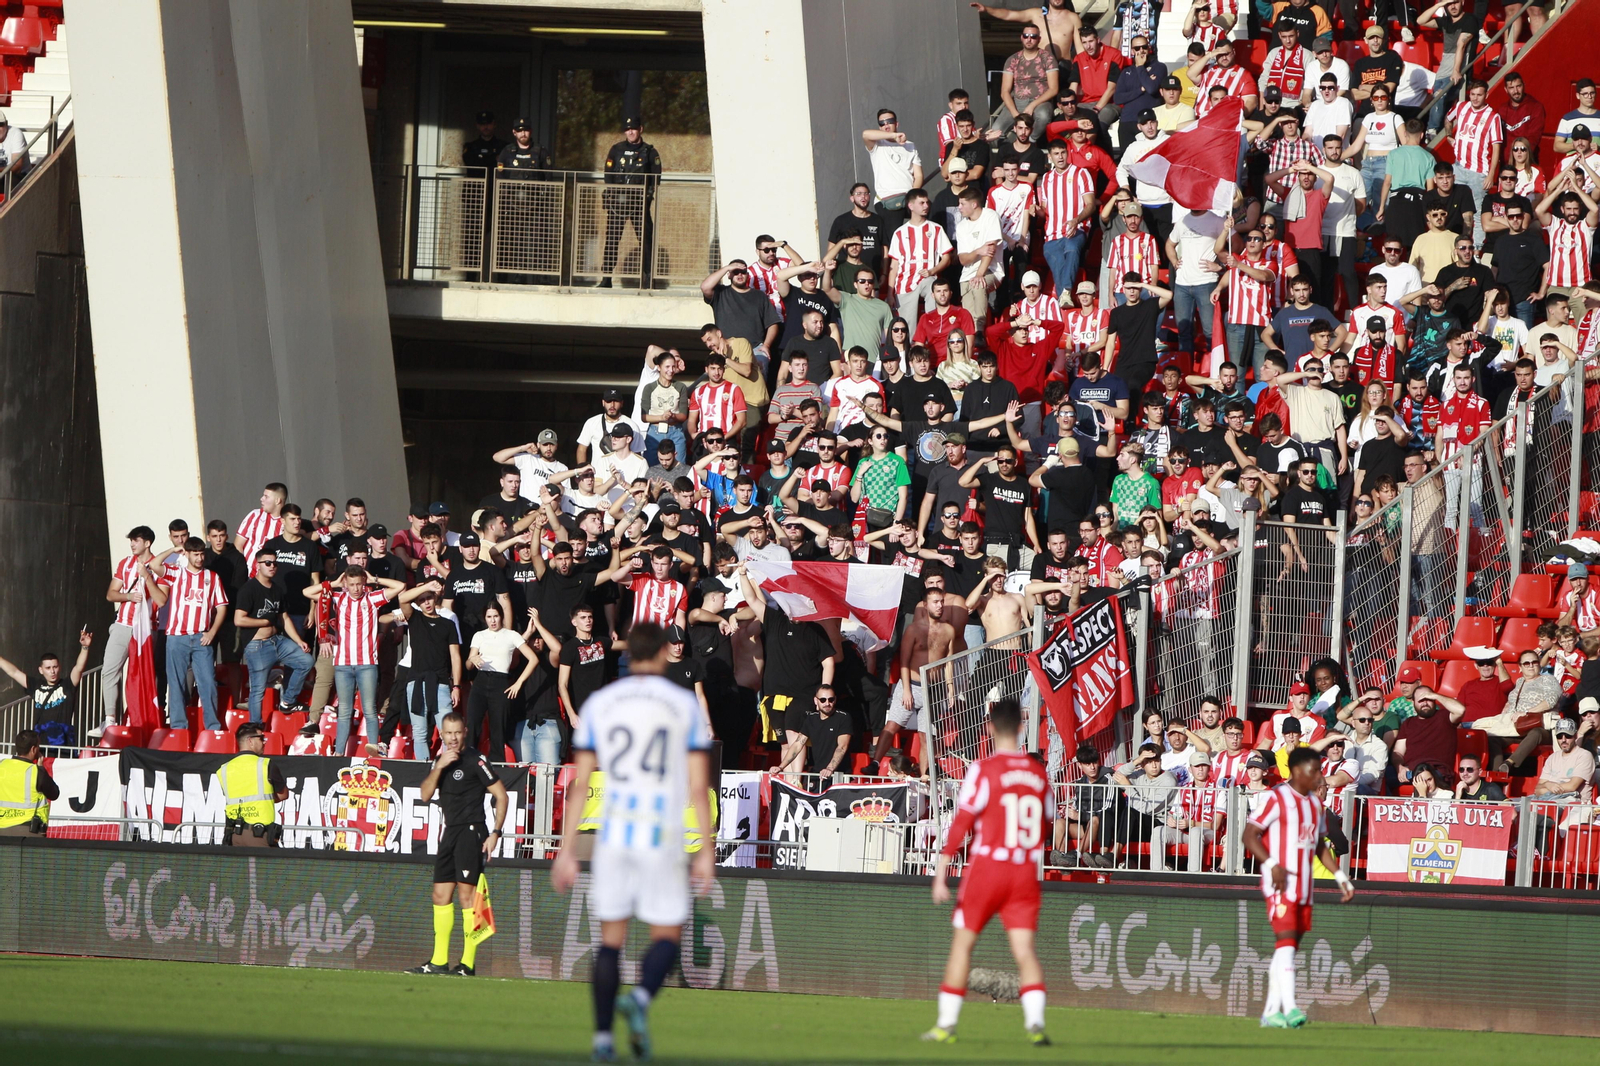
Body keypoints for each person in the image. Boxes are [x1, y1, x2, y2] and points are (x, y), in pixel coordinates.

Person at [551, 623, 714, 1061]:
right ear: (663, 652)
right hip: (662, 835)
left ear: (627, 654)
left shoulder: (603, 703)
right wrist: (708, 852)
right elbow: (699, 787)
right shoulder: (682, 704)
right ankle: (640, 999)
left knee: (610, 940)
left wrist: (566, 851)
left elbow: (581, 785)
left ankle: (602, 1040)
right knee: (666, 934)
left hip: (614, 835)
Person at [924, 698, 1052, 1047]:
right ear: (1023, 728)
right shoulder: (1038, 774)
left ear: (990, 728)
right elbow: (1047, 821)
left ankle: (946, 1026)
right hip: (1024, 870)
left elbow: (963, 821)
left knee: (962, 947)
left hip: (989, 867)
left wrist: (940, 870)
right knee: (1025, 951)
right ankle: (1036, 1024)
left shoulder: (983, 769)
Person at [1241, 746, 1354, 1028]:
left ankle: (1270, 1012)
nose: (1318, 776)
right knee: (1287, 942)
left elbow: (1318, 845)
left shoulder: (1315, 805)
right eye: (1313, 770)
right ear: (1296, 771)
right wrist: (1271, 864)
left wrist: (1340, 876)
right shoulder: (1275, 797)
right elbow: (1249, 834)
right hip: (1280, 882)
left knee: (1287, 948)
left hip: (1305, 886)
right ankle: (1290, 1008)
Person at [407, 711, 509, 977]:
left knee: (467, 898)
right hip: (450, 833)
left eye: (457, 732)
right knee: (440, 896)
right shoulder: (440, 762)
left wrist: (496, 832)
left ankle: (467, 964)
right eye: (448, 733)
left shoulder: (476, 759)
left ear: (464, 732)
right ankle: (438, 961)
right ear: (442, 735)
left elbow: (501, 794)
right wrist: (439, 766)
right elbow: (426, 795)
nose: (453, 738)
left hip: (471, 832)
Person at [158, 536, 231, 732]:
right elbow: (155, 564)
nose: (199, 558)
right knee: (176, 684)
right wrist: (174, 550)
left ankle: (213, 728)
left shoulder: (212, 577)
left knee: (208, 683)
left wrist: (212, 632)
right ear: (187, 554)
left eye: (201, 554)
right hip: (176, 637)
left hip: (201, 637)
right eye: (195, 554)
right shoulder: (176, 573)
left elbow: (222, 607)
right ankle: (178, 728)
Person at [233, 548, 314, 723]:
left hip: (277, 641)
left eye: (275, 563)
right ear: (258, 565)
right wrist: (263, 622)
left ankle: (288, 701)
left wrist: (299, 641)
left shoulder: (277, 589)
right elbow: (239, 620)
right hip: (257, 646)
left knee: (306, 661)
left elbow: (283, 617)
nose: (272, 566)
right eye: (267, 563)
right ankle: (255, 726)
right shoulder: (249, 589)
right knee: (258, 690)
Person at [598, 117, 662, 289]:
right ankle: (606, 278)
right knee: (612, 240)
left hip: (639, 204)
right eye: (627, 129)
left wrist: (648, 195)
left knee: (645, 240)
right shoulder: (616, 149)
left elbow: (656, 176)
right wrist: (610, 193)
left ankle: (648, 279)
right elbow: (608, 173)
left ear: (640, 129)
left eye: (633, 129)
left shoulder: (649, 151)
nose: (630, 132)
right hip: (618, 203)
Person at [215, 720, 288, 847]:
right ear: (250, 741)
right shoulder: (265, 764)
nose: (264, 742)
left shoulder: (224, 769)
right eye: (261, 738)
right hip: (259, 835)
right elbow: (283, 794)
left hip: (234, 835)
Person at [0, 730, 56, 836]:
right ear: (33, 749)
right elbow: (54, 793)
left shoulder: (1, 766)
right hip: (29, 832)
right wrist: (41, 767)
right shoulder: (36, 771)